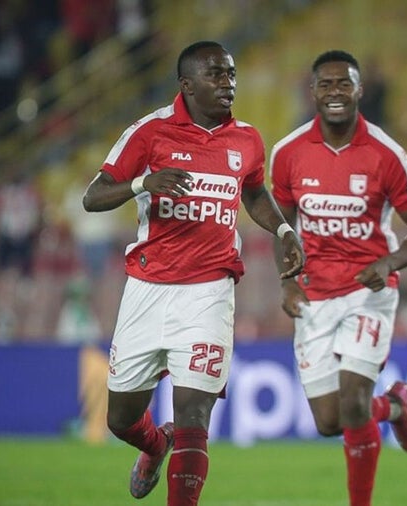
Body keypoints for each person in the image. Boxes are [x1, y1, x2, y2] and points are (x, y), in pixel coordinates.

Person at [82, 41, 304, 505]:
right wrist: (144, 182)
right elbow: (93, 196)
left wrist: (284, 229)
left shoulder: (247, 139)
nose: (228, 83)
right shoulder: (150, 132)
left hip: (210, 291)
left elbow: (254, 192)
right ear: (186, 84)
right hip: (148, 289)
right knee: (120, 419)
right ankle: (153, 445)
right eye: (216, 75)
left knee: (194, 416)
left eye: (231, 74)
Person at [269, 50, 407, 506]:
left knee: (355, 401)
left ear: (361, 90)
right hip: (314, 294)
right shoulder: (288, 153)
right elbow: (281, 227)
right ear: (313, 92)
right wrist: (287, 281)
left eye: (345, 83)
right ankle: (395, 406)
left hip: (368, 291)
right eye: (326, 84)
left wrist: (390, 263)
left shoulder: (387, 154)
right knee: (329, 421)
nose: (335, 92)